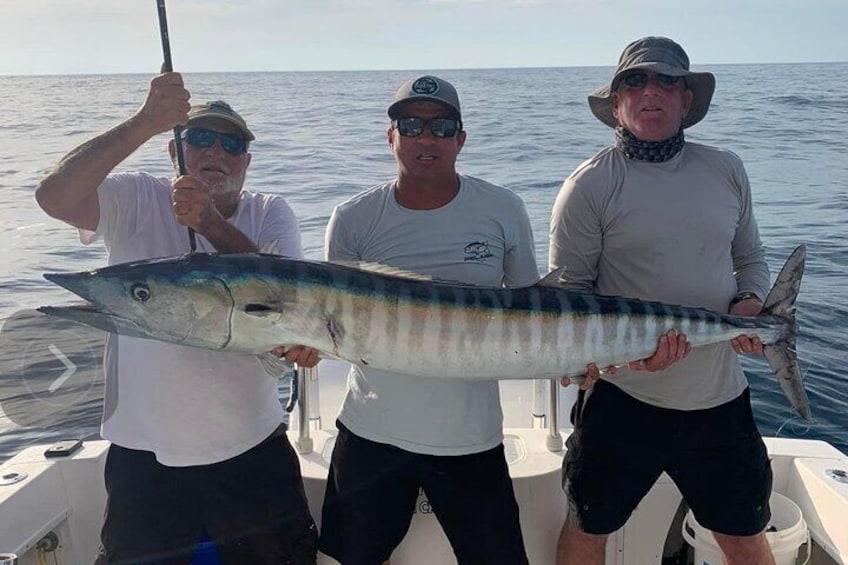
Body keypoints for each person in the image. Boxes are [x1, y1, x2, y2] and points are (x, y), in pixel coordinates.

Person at [35, 73, 318, 564]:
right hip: (145, 457)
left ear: (246, 163)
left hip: (251, 446)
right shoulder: (135, 198)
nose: (217, 151)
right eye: (200, 138)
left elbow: (285, 292)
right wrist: (146, 121)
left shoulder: (270, 211)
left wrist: (210, 223)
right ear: (174, 153)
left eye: (232, 144)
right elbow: (54, 197)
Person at [549, 37, 775, 565]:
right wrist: (625, 359)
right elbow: (568, 303)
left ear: (687, 99)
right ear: (617, 99)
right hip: (623, 400)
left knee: (744, 535)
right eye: (636, 81)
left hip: (718, 398)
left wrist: (749, 301)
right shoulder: (588, 187)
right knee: (587, 528)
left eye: (667, 81)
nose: (651, 92)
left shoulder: (726, 169)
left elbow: (753, 258)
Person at [316, 75, 537, 564]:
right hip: (371, 435)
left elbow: (534, 312)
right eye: (411, 125)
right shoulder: (352, 218)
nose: (426, 138)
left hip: (471, 438)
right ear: (390, 135)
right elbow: (332, 321)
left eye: (442, 126)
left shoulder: (503, 209)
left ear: (461, 139)